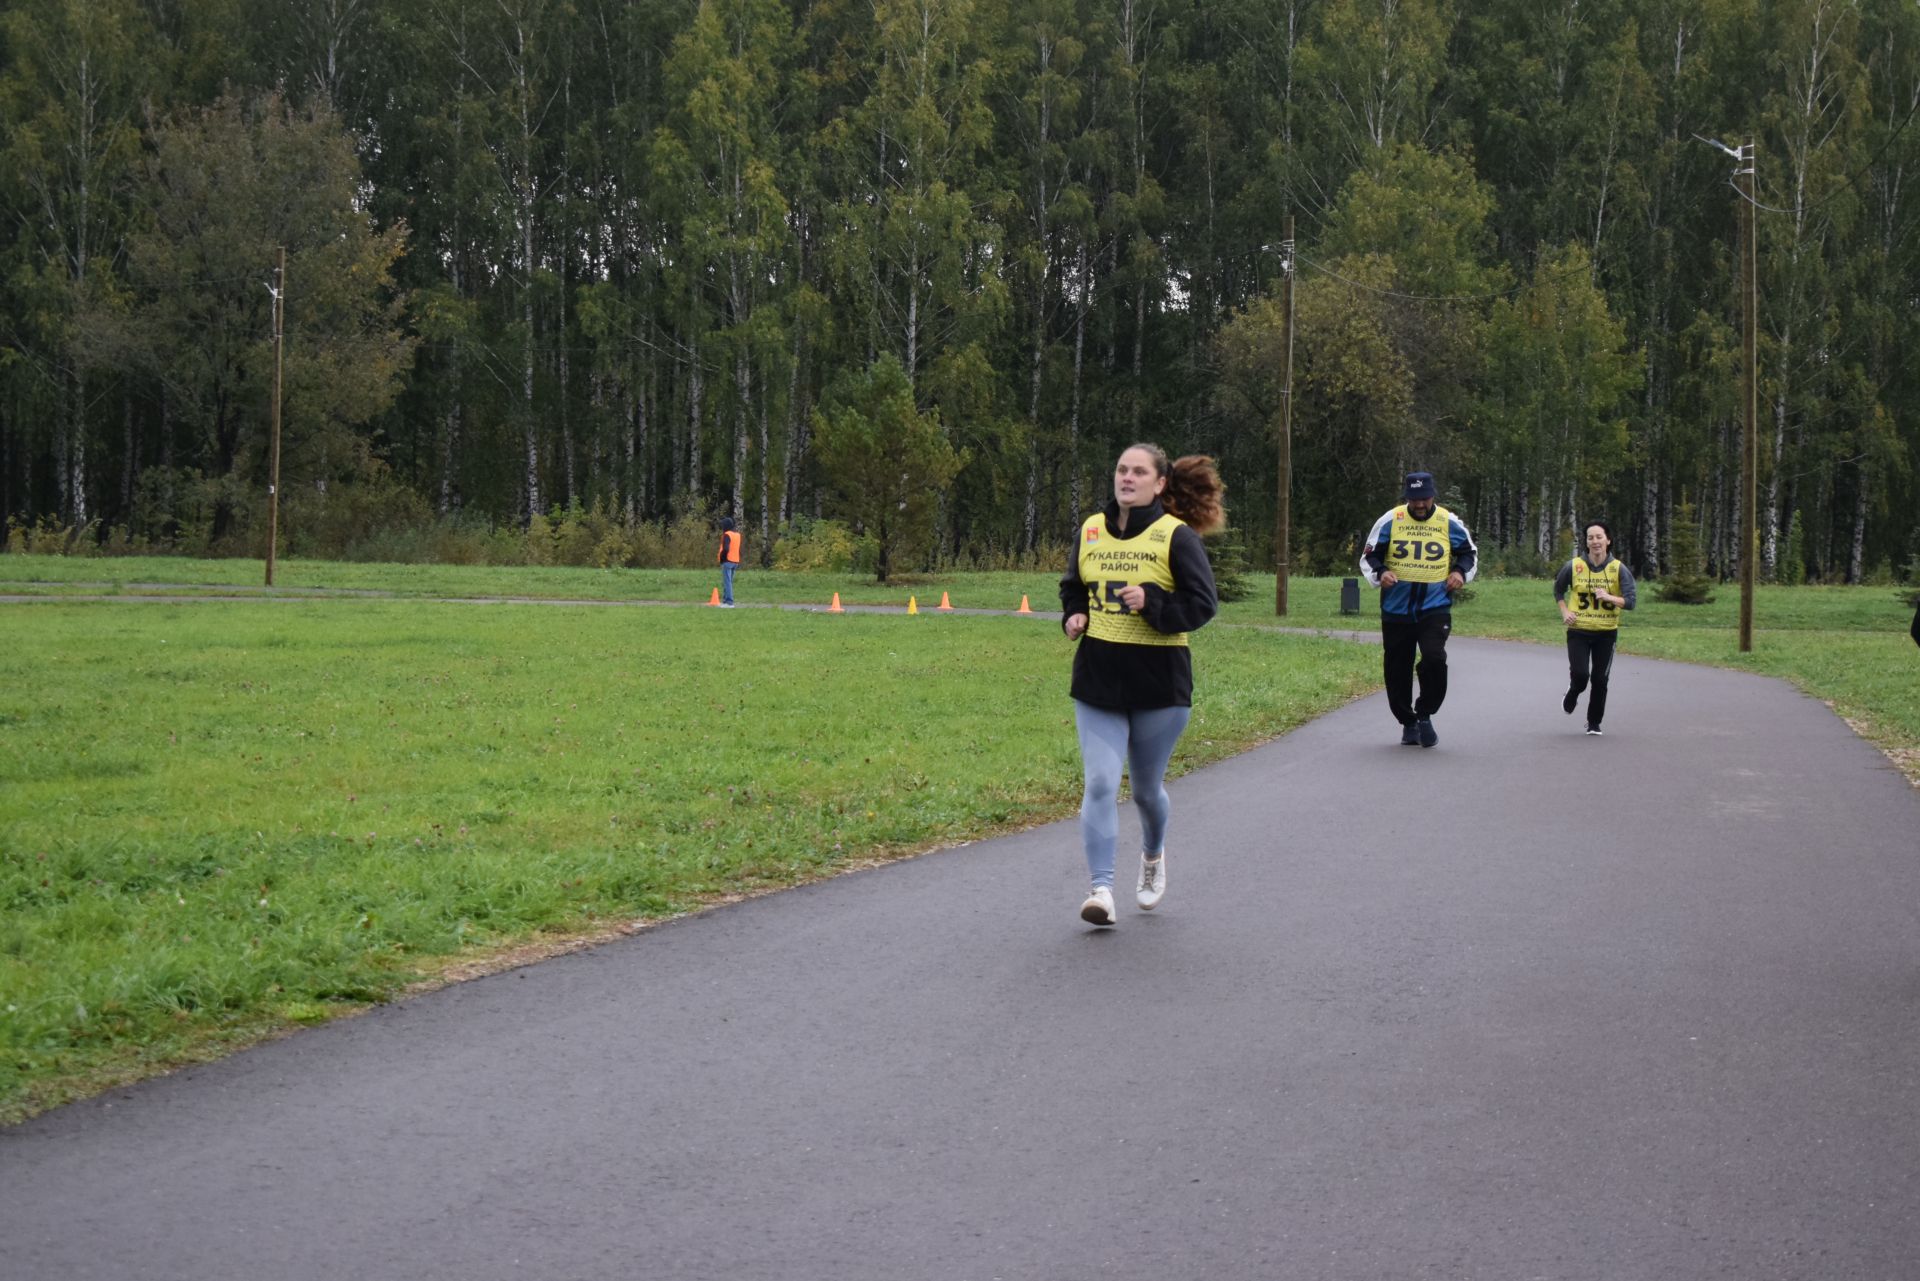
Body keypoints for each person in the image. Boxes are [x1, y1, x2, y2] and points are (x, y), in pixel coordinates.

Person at [1060, 444, 1224, 927]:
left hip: (1159, 683)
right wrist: (1074, 614)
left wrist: (1152, 603)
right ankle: (1101, 891)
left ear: (1159, 484)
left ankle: (1153, 856)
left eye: (1138, 472)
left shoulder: (1176, 537)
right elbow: (1074, 584)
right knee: (1101, 782)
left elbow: (1202, 606)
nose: (1126, 478)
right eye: (1121, 470)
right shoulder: (1091, 529)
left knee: (1146, 791)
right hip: (1099, 680)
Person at [1359, 471, 1478, 748]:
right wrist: (1381, 572)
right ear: (1406, 499)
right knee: (1397, 668)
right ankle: (1408, 721)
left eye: (1424, 499)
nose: (1420, 505)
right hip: (1396, 609)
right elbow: (1369, 554)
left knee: (1435, 659)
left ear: (1433, 495)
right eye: (1414, 500)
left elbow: (1469, 553)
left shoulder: (1448, 521)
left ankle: (1425, 713)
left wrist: (1460, 573)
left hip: (1434, 606)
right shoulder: (1391, 520)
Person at [1554, 520, 1636, 736]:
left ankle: (1593, 723)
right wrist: (1565, 612)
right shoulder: (1573, 566)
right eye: (1591, 537)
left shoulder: (1618, 569)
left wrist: (1608, 597)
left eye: (1599, 537)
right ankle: (1573, 693)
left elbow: (1631, 602)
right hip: (1578, 630)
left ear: (1608, 541)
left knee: (1600, 679)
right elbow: (1558, 590)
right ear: (1586, 542)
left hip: (1606, 633)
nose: (1595, 541)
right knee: (1581, 675)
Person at [716, 517, 741, 607]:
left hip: (727, 560)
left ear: (726, 526)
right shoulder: (737, 535)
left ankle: (729, 602)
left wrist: (722, 558)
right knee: (729, 581)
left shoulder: (727, 535)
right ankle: (725, 601)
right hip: (736, 561)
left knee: (727, 582)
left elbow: (726, 548)